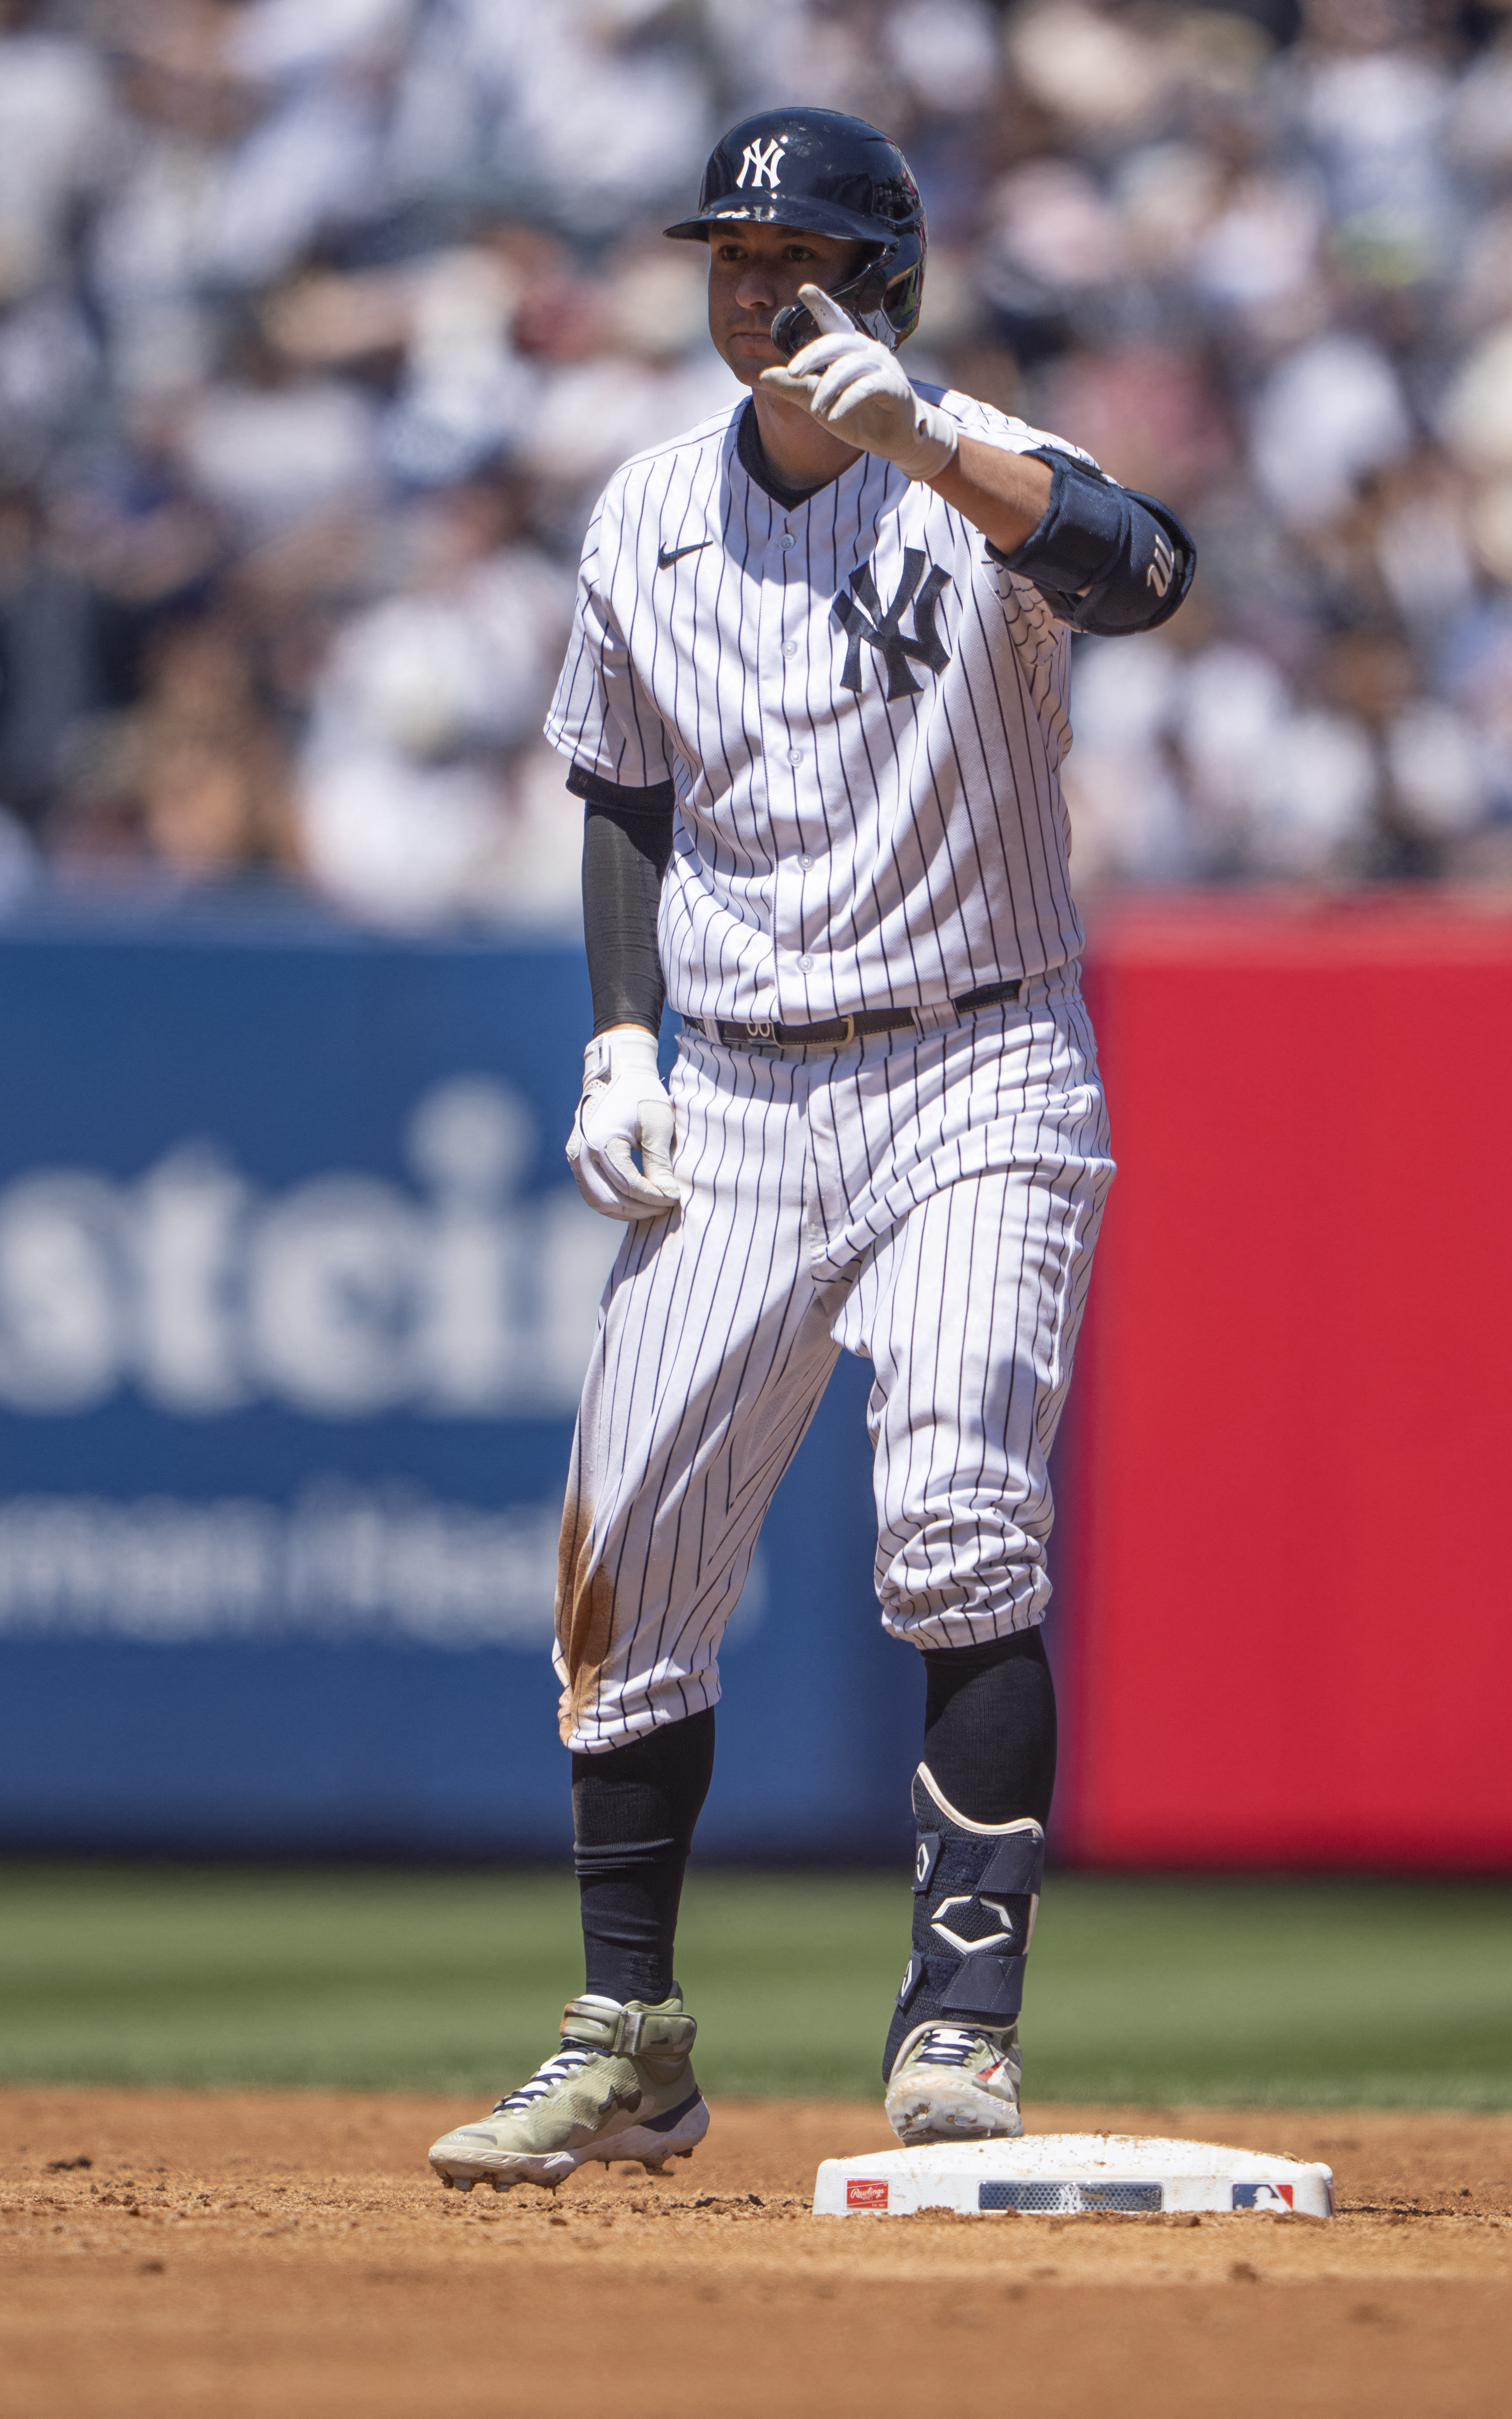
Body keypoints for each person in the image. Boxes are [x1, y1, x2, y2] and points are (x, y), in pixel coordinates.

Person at [424, 106, 1194, 2192]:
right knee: (623, 1563)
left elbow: (1149, 573)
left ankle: (960, 2024)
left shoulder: (982, 478)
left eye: (800, 256)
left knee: (957, 1510)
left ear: (887, 277)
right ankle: (630, 2039)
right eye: (731, 259)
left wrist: (938, 441)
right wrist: (615, 1043)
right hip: (745, 1079)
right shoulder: (652, 511)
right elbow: (619, 789)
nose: (757, 290)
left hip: (978, 1059)